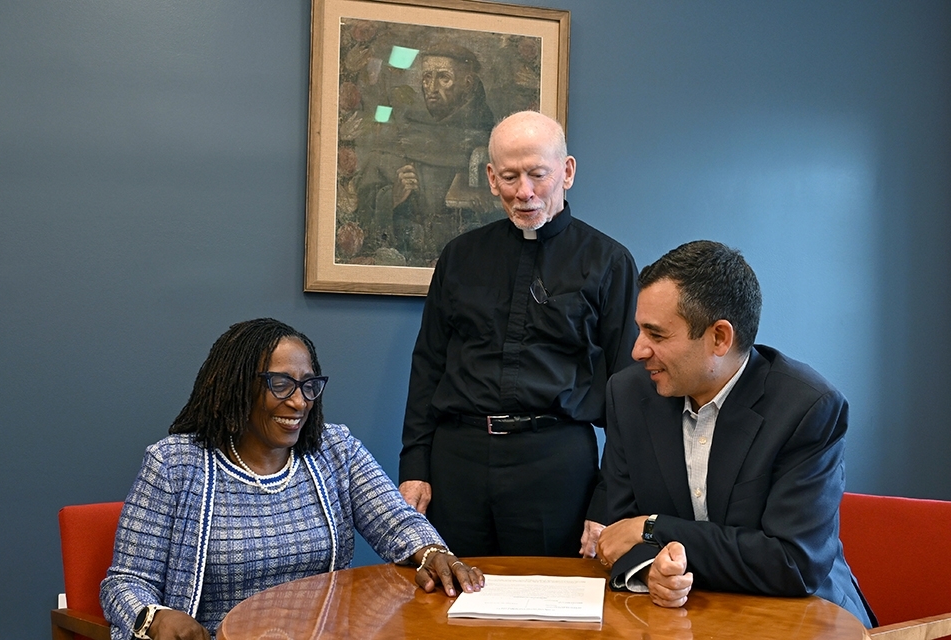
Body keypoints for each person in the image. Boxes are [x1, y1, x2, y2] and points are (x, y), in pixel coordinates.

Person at [100, 318, 483, 640]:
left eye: (308, 385)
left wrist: (432, 553)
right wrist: (155, 618)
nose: (299, 402)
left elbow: (397, 521)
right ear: (238, 385)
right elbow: (124, 583)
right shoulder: (174, 464)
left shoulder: (335, 449)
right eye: (280, 384)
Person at [596, 240, 876, 628]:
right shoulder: (629, 395)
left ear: (719, 338)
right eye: (639, 331)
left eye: (656, 335)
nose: (638, 351)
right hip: (685, 617)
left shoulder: (807, 408)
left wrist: (655, 528)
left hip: (802, 619)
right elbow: (619, 532)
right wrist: (651, 569)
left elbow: (792, 564)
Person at [398, 110, 639, 558]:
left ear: (567, 172)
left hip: (556, 464)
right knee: (450, 593)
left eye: (537, 175)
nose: (524, 192)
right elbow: (428, 365)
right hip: (458, 462)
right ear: (492, 179)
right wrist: (415, 465)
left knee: (549, 598)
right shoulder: (460, 256)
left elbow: (629, 390)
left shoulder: (609, 262)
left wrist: (610, 498)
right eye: (510, 177)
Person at [354, 43, 500, 266]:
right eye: (426, 78)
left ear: (467, 84)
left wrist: (488, 213)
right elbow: (362, 213)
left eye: (444, 78)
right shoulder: (403, 136)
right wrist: (392, 197)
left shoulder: (490, 142)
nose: (431, 88)